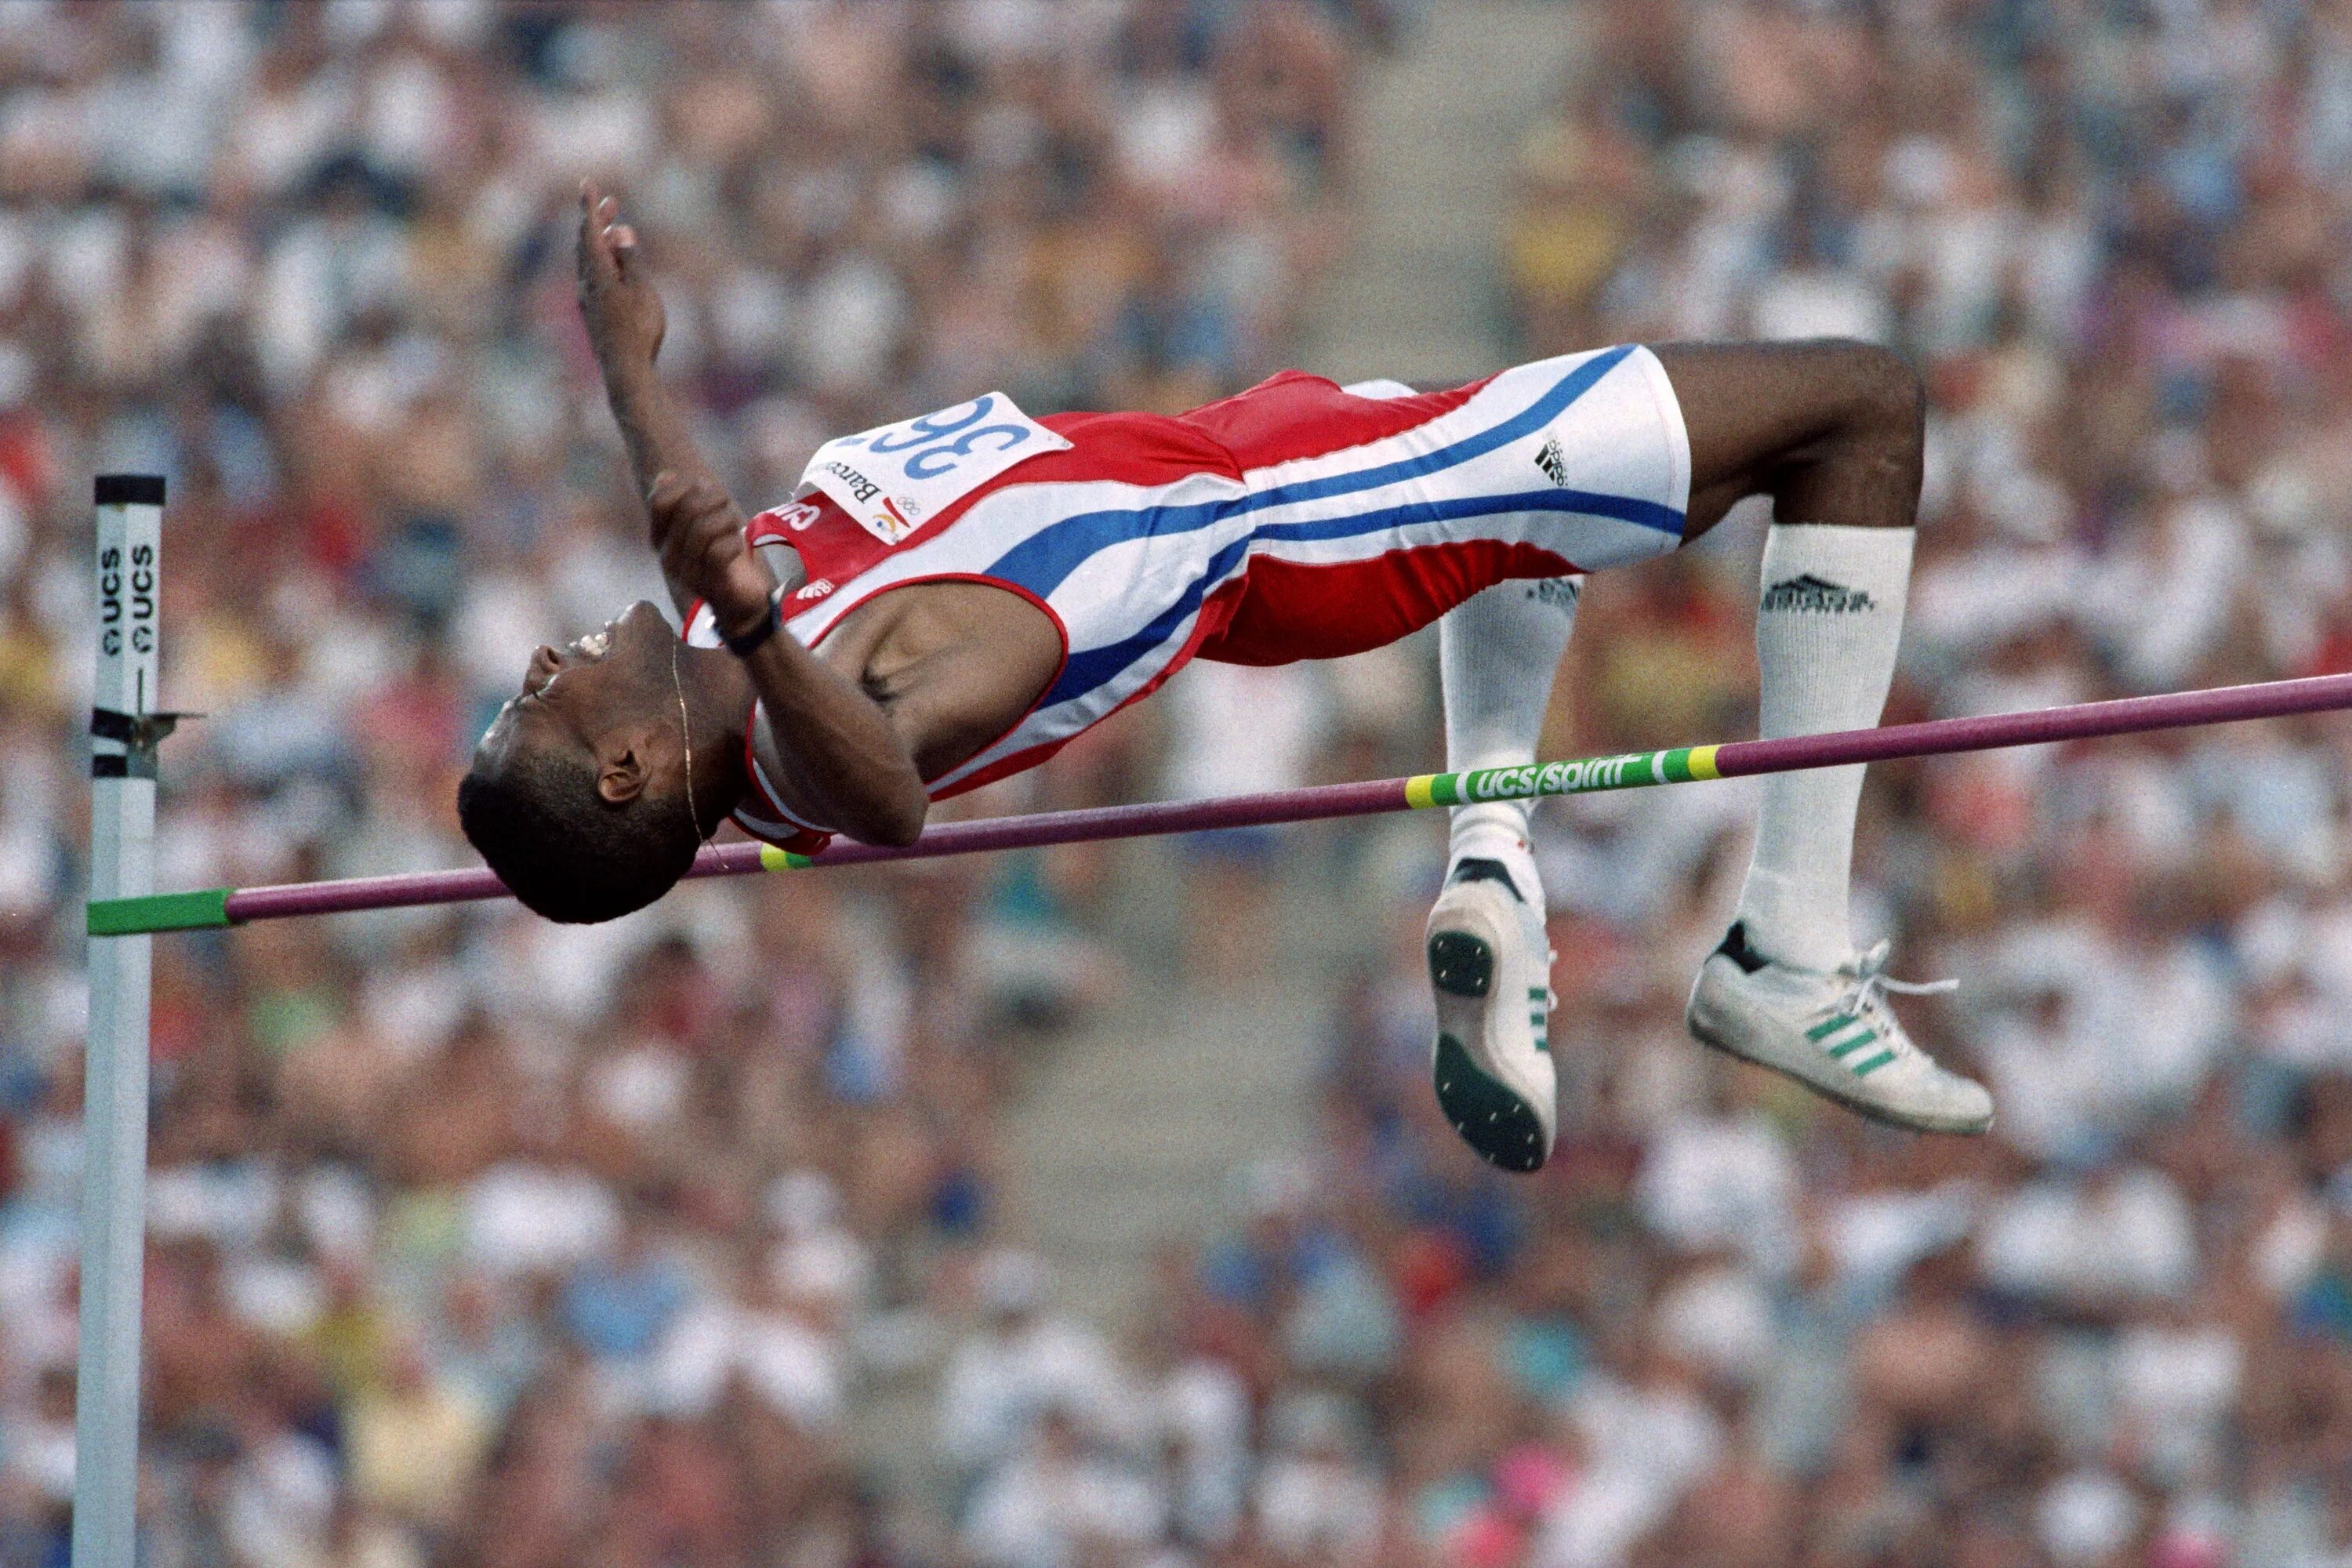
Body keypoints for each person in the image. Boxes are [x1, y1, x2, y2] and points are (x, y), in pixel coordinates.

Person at [459, 185, 1991, 1173]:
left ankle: (1494, 865)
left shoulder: (723, 657)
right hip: (1329, 511)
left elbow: (698, 546)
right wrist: (762, 620)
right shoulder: (837, 694)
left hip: (1266, 448)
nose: (540, 664)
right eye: (540, 700)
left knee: (1652, 500)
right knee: (1857, 411)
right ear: (627, 772)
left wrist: (633, 376)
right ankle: (1787, 947)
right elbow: (888, 794)